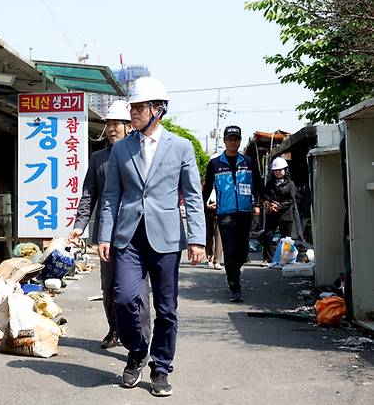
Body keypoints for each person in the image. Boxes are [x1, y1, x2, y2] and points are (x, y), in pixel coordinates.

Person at [98, 77, 206, 397]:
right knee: (124, 298)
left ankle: (160, 367)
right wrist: (104, 235)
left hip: (167, 238)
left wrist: (197, 239)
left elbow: (193, 196)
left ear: (158, 110)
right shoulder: (120, 149)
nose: (133, 112)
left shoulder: (181, 147)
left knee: (166, 307)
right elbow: (110, 197)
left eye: (139, 107)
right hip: (128, 236)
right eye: (131, 106)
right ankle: (136, 351)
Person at [67, 100, 151, 350]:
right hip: (107, 234)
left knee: (137, 290)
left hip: (137, 232)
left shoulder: (140, 154)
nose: (112, 129)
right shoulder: (98, 159)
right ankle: (114, 330)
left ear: (129, 127)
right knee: (109, 287)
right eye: (109, 124)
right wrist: (79, 225)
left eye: (117, 124)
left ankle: (140, 338)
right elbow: (88, 194)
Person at [202, 125, 261, 303]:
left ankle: (234, 269)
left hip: (244, 212)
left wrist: (258, 203)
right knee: (229, 249)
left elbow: (258, 184)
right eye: (230, 139)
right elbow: (207, 188)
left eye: (236, 139)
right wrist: (202, 205)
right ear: (224, 141)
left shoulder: (249, 162)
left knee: (242, 250)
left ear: (240, 141)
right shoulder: (215, 164)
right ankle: (234, 284)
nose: (233, 142)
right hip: (225, 213)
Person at [260, 157, 297, 263]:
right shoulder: (270, 183)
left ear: (285, 170)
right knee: (267, 235)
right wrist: (266, 201)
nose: (278, 172)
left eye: (280, 170)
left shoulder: (290, 184)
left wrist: (279, 206)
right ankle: (268, 259)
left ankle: (286, 260)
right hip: (272, 214)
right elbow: (265, 194)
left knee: (286, 239)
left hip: (286, 215)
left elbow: (291, 199)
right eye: (275, 170)